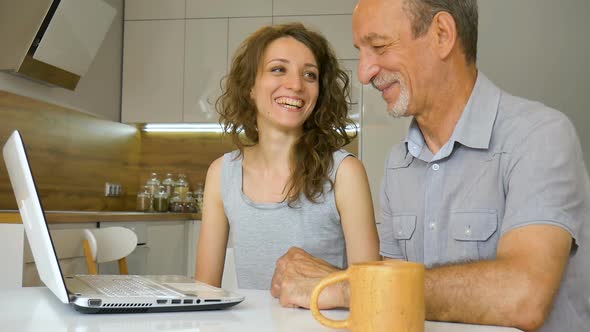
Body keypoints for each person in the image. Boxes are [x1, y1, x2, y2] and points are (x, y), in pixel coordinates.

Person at [270, 1, 590, 331]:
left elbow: (523, 296)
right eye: (362, 52)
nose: (365, 72)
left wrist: (344, 285)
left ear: (441, 34)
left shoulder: (539, 136)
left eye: (378, 46)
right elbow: (395, 311)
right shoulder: (400, 163)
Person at [195, 23, 380, 290]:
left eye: (310, 75)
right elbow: (205, 292)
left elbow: (372, 290)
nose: (295, 85)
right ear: (249, 86)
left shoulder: (344, 173)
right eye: (278, 69)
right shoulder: (221, 173)